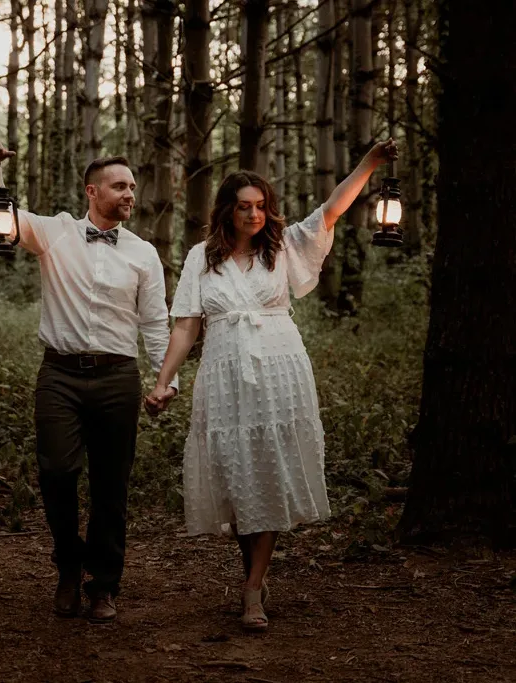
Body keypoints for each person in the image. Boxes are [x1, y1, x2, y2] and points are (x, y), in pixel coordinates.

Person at [145, 139, 399, 632]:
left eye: (261, 207)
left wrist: (369, 163)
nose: (254, 215)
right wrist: (162, 382)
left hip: (280, 367)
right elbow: (185, 327)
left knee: (269, 472)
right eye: (244, 207)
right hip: (224, 372)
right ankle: (252, 577)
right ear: (227, 211)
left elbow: (331, 211)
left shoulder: (282, 249)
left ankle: (253, 588)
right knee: (238, 479)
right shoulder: (202, 258)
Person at [0, 140, 177, 623]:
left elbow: (154, 324)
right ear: (92, 191)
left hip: (118, 379)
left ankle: (104, 585)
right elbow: (1, 215)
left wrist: (163, 380)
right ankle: (68, 566)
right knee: (55, 472)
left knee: (112, 486)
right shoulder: (55, 233)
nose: (130, 193)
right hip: (60, 375)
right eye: (119, 186)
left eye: (132, 186)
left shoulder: (144, 253)